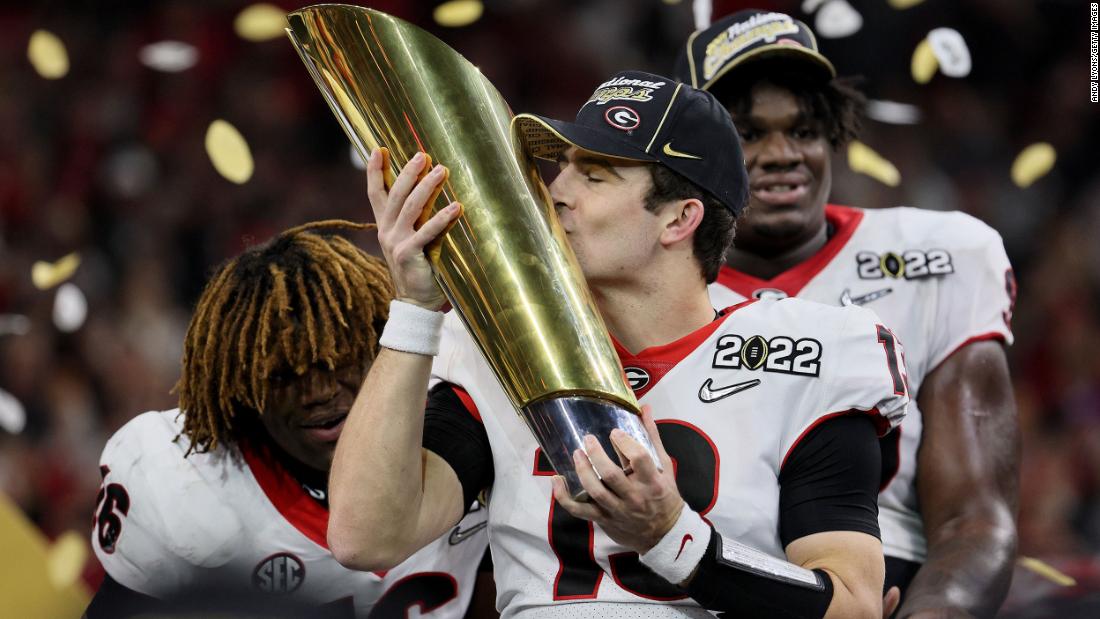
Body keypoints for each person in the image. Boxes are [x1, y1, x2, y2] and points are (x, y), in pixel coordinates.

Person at [328, 70, 910, 618]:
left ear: (679, 220)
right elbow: (365, 538)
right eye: (563, 168)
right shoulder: (491, 342)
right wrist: (413, 310)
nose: (555, 192)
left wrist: (671, 538)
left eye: (594, 175)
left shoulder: (808, 352)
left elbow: (852, 604)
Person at [675, 9, 1019, 617]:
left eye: (805, 129)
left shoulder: (939, 259)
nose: (783, 154)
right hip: (694, 583)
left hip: (888, 582)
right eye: (747, 134)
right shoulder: (644, 278)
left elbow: (974, 515)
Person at [85, 221, 491, 619]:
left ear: (377, 339)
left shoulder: (457, 426)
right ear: (243, 386)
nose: (319, 393)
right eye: (285, 375)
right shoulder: (183, 481)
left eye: (336, 361)